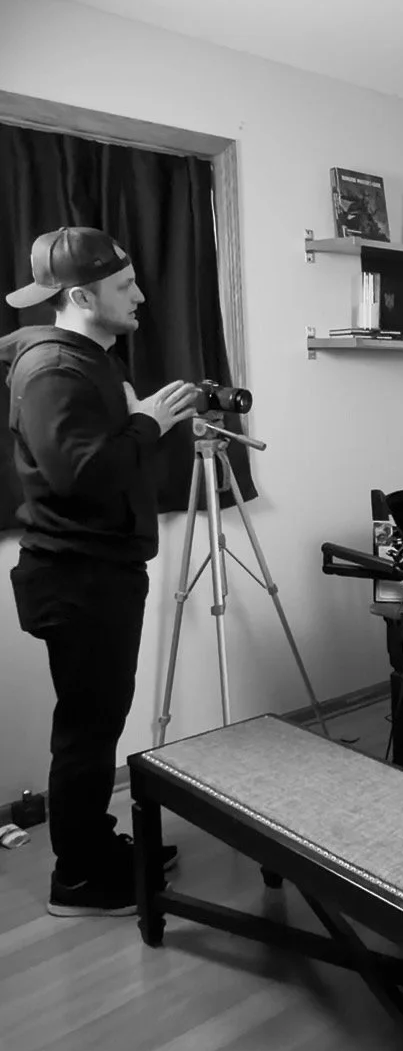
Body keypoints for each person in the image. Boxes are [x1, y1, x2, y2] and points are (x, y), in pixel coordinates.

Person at [2, 228, 198, 917]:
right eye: (125, 285)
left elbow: (106, 453)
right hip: (80, 579)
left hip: (99, 574)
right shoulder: (56, 369)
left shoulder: (89, 361)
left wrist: (152, 425)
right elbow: (82, 473)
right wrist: (147, 423)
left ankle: (95, 844)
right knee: (87, 732)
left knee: (97, 722)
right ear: (81, 295)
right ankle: (78, 879)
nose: (142, 294)